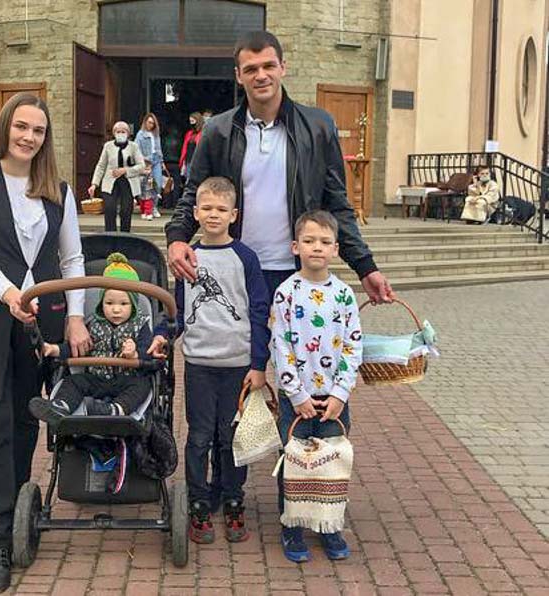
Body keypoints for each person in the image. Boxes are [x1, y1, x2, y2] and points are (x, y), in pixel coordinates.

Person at [165, 29, 393, 512]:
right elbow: (192, 197)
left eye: (268, 65)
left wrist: (365, 265)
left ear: (283, 68)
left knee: (303, 386)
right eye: (251, 69)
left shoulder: (318, 126)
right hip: (235, 276)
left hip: (295, 280)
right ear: (239, 76)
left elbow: (338, 206)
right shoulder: (220, 131)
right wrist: (176, 239)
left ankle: (306, 496)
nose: (261, 75)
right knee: (238, 386)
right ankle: (226, 492)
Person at [0, 93, 90, 594]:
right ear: (5, 127)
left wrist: (74, 319)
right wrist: (10, 294)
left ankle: (22, 509)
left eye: (39, 131)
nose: (28, 137)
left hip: (39, 327)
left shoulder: (57, 190)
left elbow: (72, 261)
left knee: (27, 422)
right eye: (21, 127)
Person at [152, 176, 270, 544]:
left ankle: (233, 498)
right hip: (201, 364)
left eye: (221, 209)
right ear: (195, 212)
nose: (213, 215)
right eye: (206, 208)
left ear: (234, 214)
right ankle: (199, 502)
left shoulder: (245, 258)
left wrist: (259, 365)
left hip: (238, 366)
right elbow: (179, 308)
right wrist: (163, 335)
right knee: (200, 437)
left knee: (231, 437)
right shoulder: (187, 255)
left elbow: (259, 310)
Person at [271, 210, 362, 563]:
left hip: (333, 399)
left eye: (324, 242)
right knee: (293, 461)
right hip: (298, 397)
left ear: (336, 249)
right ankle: (292, 525)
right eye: (309, 241)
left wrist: (341, 392)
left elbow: (353, 345)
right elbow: (280, 346)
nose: (316, 248)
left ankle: (328, 524)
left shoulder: (343, 294)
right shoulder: (286, 293)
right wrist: (296, 395)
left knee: (330, 461)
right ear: (296, 246)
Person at [28, 252, 155, 426]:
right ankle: (61, 407)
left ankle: (115, 409)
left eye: (123, 304)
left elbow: (148, 351)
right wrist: (54, 349)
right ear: (101, 302)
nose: (116, 310)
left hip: (127, 378)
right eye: (109, 303)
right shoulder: (94, 324)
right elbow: (77, 347)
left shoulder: (140, 325)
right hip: (96, 377)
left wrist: (134, 354)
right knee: (73, 381)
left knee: (142, 385)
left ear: (133, 304)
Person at [88, 121, 145, 232]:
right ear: (114, 133)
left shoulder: (134, 146)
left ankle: (125, 237)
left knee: (126, 211)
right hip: (110, 181)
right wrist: (94, 184)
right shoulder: (108, 146)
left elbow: (142, 166)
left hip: (128, 182)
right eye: (118, 131)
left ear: (128, 133)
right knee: (109, 209)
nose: (120, 133)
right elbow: (101, 166)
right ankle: (110, 236)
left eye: (123, 131)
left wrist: (125, 170)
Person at [135, 112, 165, 219]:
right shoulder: (140, 134)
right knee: (147, 186)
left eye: (152, 123)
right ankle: (147, 208)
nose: (150, 125)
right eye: (149, 123)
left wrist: (162, 162)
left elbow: (159, 149)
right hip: (146, 162)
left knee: (158, 183)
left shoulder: (156, 134)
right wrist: (143, 161)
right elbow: (136, 150)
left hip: (156, 160)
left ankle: (154, 207)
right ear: (145, 122)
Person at [178, 112, 204, 181]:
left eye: (193, 121)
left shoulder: (203, 133)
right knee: (188, 180)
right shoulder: (189, 133)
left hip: (198, 162)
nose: (191, 123)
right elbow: (184, 149)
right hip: (188, 161)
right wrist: (183, 162)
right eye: (190, 121)